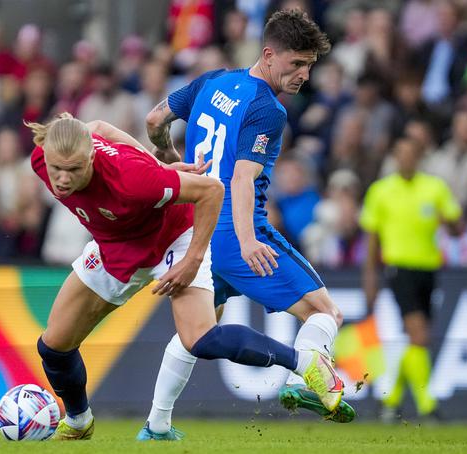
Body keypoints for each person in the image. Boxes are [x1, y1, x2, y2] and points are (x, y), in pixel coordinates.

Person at [28, 113, 343, 441]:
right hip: (116, 247)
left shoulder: (133, 180)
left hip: (173, 239)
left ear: (92, 156)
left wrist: (192, 258)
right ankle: (79, 422)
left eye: (75, 169)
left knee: (201, 339)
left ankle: (304, 362)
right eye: (57, 169)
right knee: (54, 347)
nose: (62, 179)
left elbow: (211, 190)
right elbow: (99, 127)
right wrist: (156, 166)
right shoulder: (43, 158)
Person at [140, 10, 354, 440]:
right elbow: (240, 178)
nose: (304, 75)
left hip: (192, 233)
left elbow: (154, 120)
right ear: (269, 54)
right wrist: (247, 239)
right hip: (235, 233)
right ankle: (302, 380)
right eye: (296, 64)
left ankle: (157, 426)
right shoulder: (268, 109)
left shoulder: (212, 80)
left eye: (310, 66)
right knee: (325, 311)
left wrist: (167, 156)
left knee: (194, 333)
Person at [361, 137, 462, 422]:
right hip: (399, 270)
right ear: (395, 158)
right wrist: (369, 278)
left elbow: (456, 227)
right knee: (419, 335)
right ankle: (428, 406)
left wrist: (451, 221)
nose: (405, 160)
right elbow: (372, 242)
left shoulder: (435, 188)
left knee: (417, 340)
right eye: (401, 155)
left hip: (428, 270)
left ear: (419, 158)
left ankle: (390, 403)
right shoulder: (381, 191)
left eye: (411, 155)